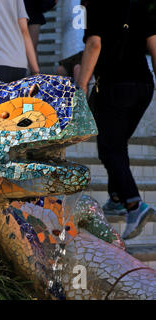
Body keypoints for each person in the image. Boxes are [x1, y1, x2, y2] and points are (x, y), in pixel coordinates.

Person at [77, 0, 156, 240]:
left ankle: (134, 205)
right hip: (143, 86)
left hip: (114, 85)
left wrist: (81, 85)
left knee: (109, 148)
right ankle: (115, 197)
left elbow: (94, 43)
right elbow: (154, 47)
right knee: (117, 143)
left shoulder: (95, 4)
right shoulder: (136, 4)